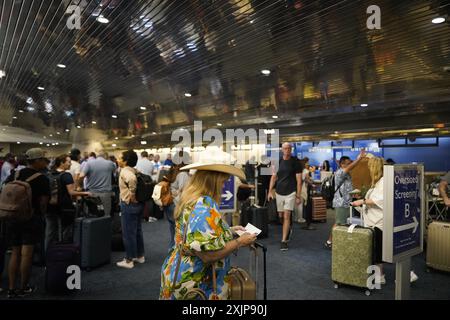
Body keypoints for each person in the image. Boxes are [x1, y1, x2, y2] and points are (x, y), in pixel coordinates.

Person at [159, 149, 257, 300]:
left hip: (179, 271)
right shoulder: (204, 206)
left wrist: (229, 230)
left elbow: (196, 234)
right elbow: (208, 255)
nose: (224, 186)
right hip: (196, 282)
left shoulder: (192, 198)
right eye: (224, 181)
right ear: (214, 180)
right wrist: (239, 241)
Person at [351, 157, 418, 284]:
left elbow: (380, 200)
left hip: (380, 223)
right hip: (377, 221)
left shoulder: (383, 182)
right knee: (381, 251)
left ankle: (404, 274)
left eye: (370, 167)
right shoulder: (379, 182)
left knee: (384, 250)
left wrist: (362, 201)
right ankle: (382, 276)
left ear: (374, 168)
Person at [7, 148, 50, 298]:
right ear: (37, 160)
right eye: (44, 160)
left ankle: (11, 288)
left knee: (15, 252)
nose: (46, 162)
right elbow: (44, 203)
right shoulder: (42, 178)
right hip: (31, 218)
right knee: (27, 254)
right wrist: (42, 215)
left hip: (12, 217)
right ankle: (22, 288)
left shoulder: (15, 174)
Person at [46, 155, 90, 249]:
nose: (70, 164)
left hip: (50, 206)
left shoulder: (49, 174)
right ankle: (64, 254)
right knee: (66, 232)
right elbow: (71, 192)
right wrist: (86, 193)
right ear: (62, 163)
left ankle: (48, 255)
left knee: (50, 232)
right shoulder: (66, 175)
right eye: (68, 162)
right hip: (64, 207)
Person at [324, 150, 366, 249]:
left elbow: (346, 187)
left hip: (346, 202)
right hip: (341, 203)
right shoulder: (340, 172)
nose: (350, 165)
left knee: (341, 223)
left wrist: (353, 195)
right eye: (348, 163)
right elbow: (351, 167)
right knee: (339, 223)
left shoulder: (346, 173)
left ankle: (334, 241)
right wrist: (359, 159)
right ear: (342, 165)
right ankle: (330, 241)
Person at [268, 142, 303, 251]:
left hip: (290, 192)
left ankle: (284, 241)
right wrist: (270, 191)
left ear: (291, 149)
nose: (287, 150)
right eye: (285, 148)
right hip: (279, 192)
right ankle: (288, 228)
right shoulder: (278, 162)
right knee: (281, 216)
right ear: (282, 150)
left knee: (287, 216)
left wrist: (298, 195)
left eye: (289, 148)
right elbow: (273, 177)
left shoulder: (295, 162)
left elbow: (299, 181)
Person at [116, 150, 145, 269]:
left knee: (128, 233)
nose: (117, 160)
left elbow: (132, 180)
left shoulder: (126, 171)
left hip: (129, 204)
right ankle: (139, 255)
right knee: (137, 230)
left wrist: (132, 194)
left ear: (125, 161)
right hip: (139, 204)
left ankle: (129, 260)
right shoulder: (135, 170)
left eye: (119, 158)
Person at [79, 150, 115, 217]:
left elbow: (81, 176)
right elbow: (114, 171)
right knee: (106, 215)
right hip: (106, 194)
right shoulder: (110, 163)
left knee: (93, 215)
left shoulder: (88, 163)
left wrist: (80, 186)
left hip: (92, 194)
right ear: (106, 156)